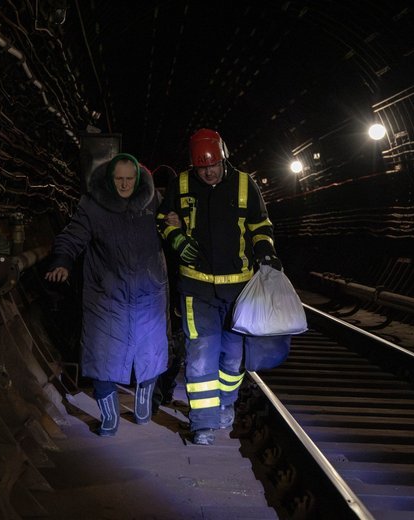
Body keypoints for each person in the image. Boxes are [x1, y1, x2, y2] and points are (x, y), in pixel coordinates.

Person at [156, 128, 282, 445]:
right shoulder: (181, 185)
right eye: (202, 168)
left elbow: (259, 224)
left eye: (213, 166)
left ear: (223, 158)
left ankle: (225, 403)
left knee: (233, 359)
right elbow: (161, 218)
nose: (209, 172)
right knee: (200, 354)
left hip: (238, 291)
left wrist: (265, 251)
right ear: (194, 166)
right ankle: (203, 423)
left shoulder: (244, 184)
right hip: (196, 289)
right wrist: (176, 238)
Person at [46, 153, 168, 436]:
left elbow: (171, 230)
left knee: (150, 355)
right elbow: (72, 236)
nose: (124, 185)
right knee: (101, 357)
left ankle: (142, 406)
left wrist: (176, 225)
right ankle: (109, 417)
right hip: (106, 296)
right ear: (110, 179)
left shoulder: (152, 201)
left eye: (129, 179)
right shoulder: (93, 205)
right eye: (119, 179)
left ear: (137, 179)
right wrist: (62, 261)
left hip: (148, 293)